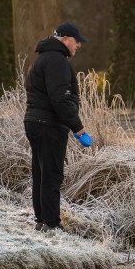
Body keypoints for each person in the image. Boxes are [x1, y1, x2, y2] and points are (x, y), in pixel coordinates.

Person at [24, 22, 93, 232]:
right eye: (76, 41)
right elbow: (60, 100)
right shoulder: (57, 61)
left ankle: (42, 220)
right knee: (52, 174)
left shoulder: (43, 58)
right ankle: (52, 224)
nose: (78, 45)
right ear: (64, 39)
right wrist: (78, 128)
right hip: (49, 125)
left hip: (35, 122)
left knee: (41, 173)